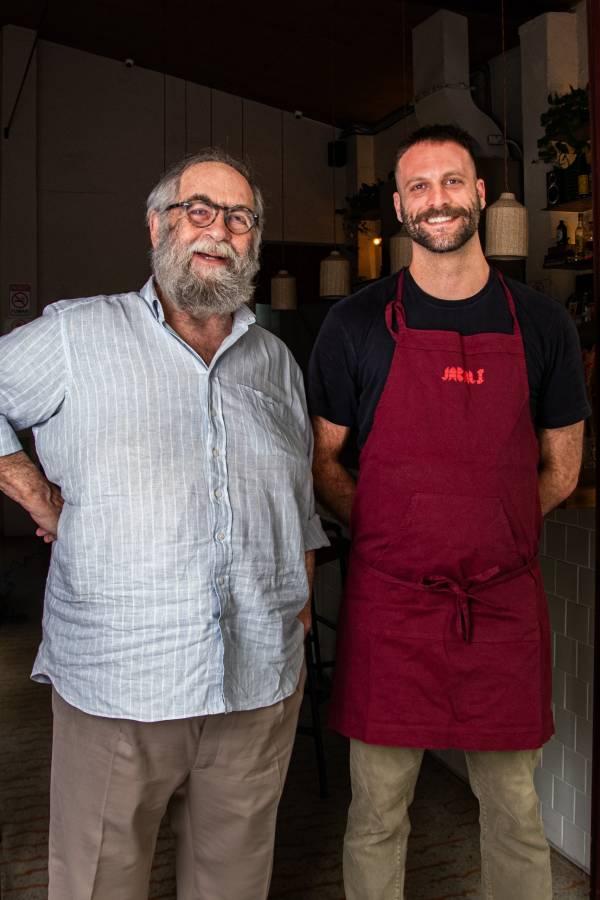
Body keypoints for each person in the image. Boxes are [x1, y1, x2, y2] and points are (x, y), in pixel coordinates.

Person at [0, 148, 327, 900]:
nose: (219, 231)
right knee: (99, 884)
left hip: (257, 683)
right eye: (198, 210)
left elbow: (298, 498)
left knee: (233, 885)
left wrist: (301, 600)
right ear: (157, 226)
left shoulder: (275, 361)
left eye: (239, 218)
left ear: (254, 240)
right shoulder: (78, 335)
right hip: (121, 684)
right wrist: (36, 494)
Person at [308, 123, 590, 900]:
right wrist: (396, 531)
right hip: (392, 604)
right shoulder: (355, 323)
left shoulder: (542, 324)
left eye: (453, 181)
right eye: (420, 186)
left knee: (515, 812)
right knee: (377, 814)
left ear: (480, 195)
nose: (438, 199)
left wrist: (494, 527)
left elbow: (564, 466)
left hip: (500, 602)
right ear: (401, 206)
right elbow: (323, 460)